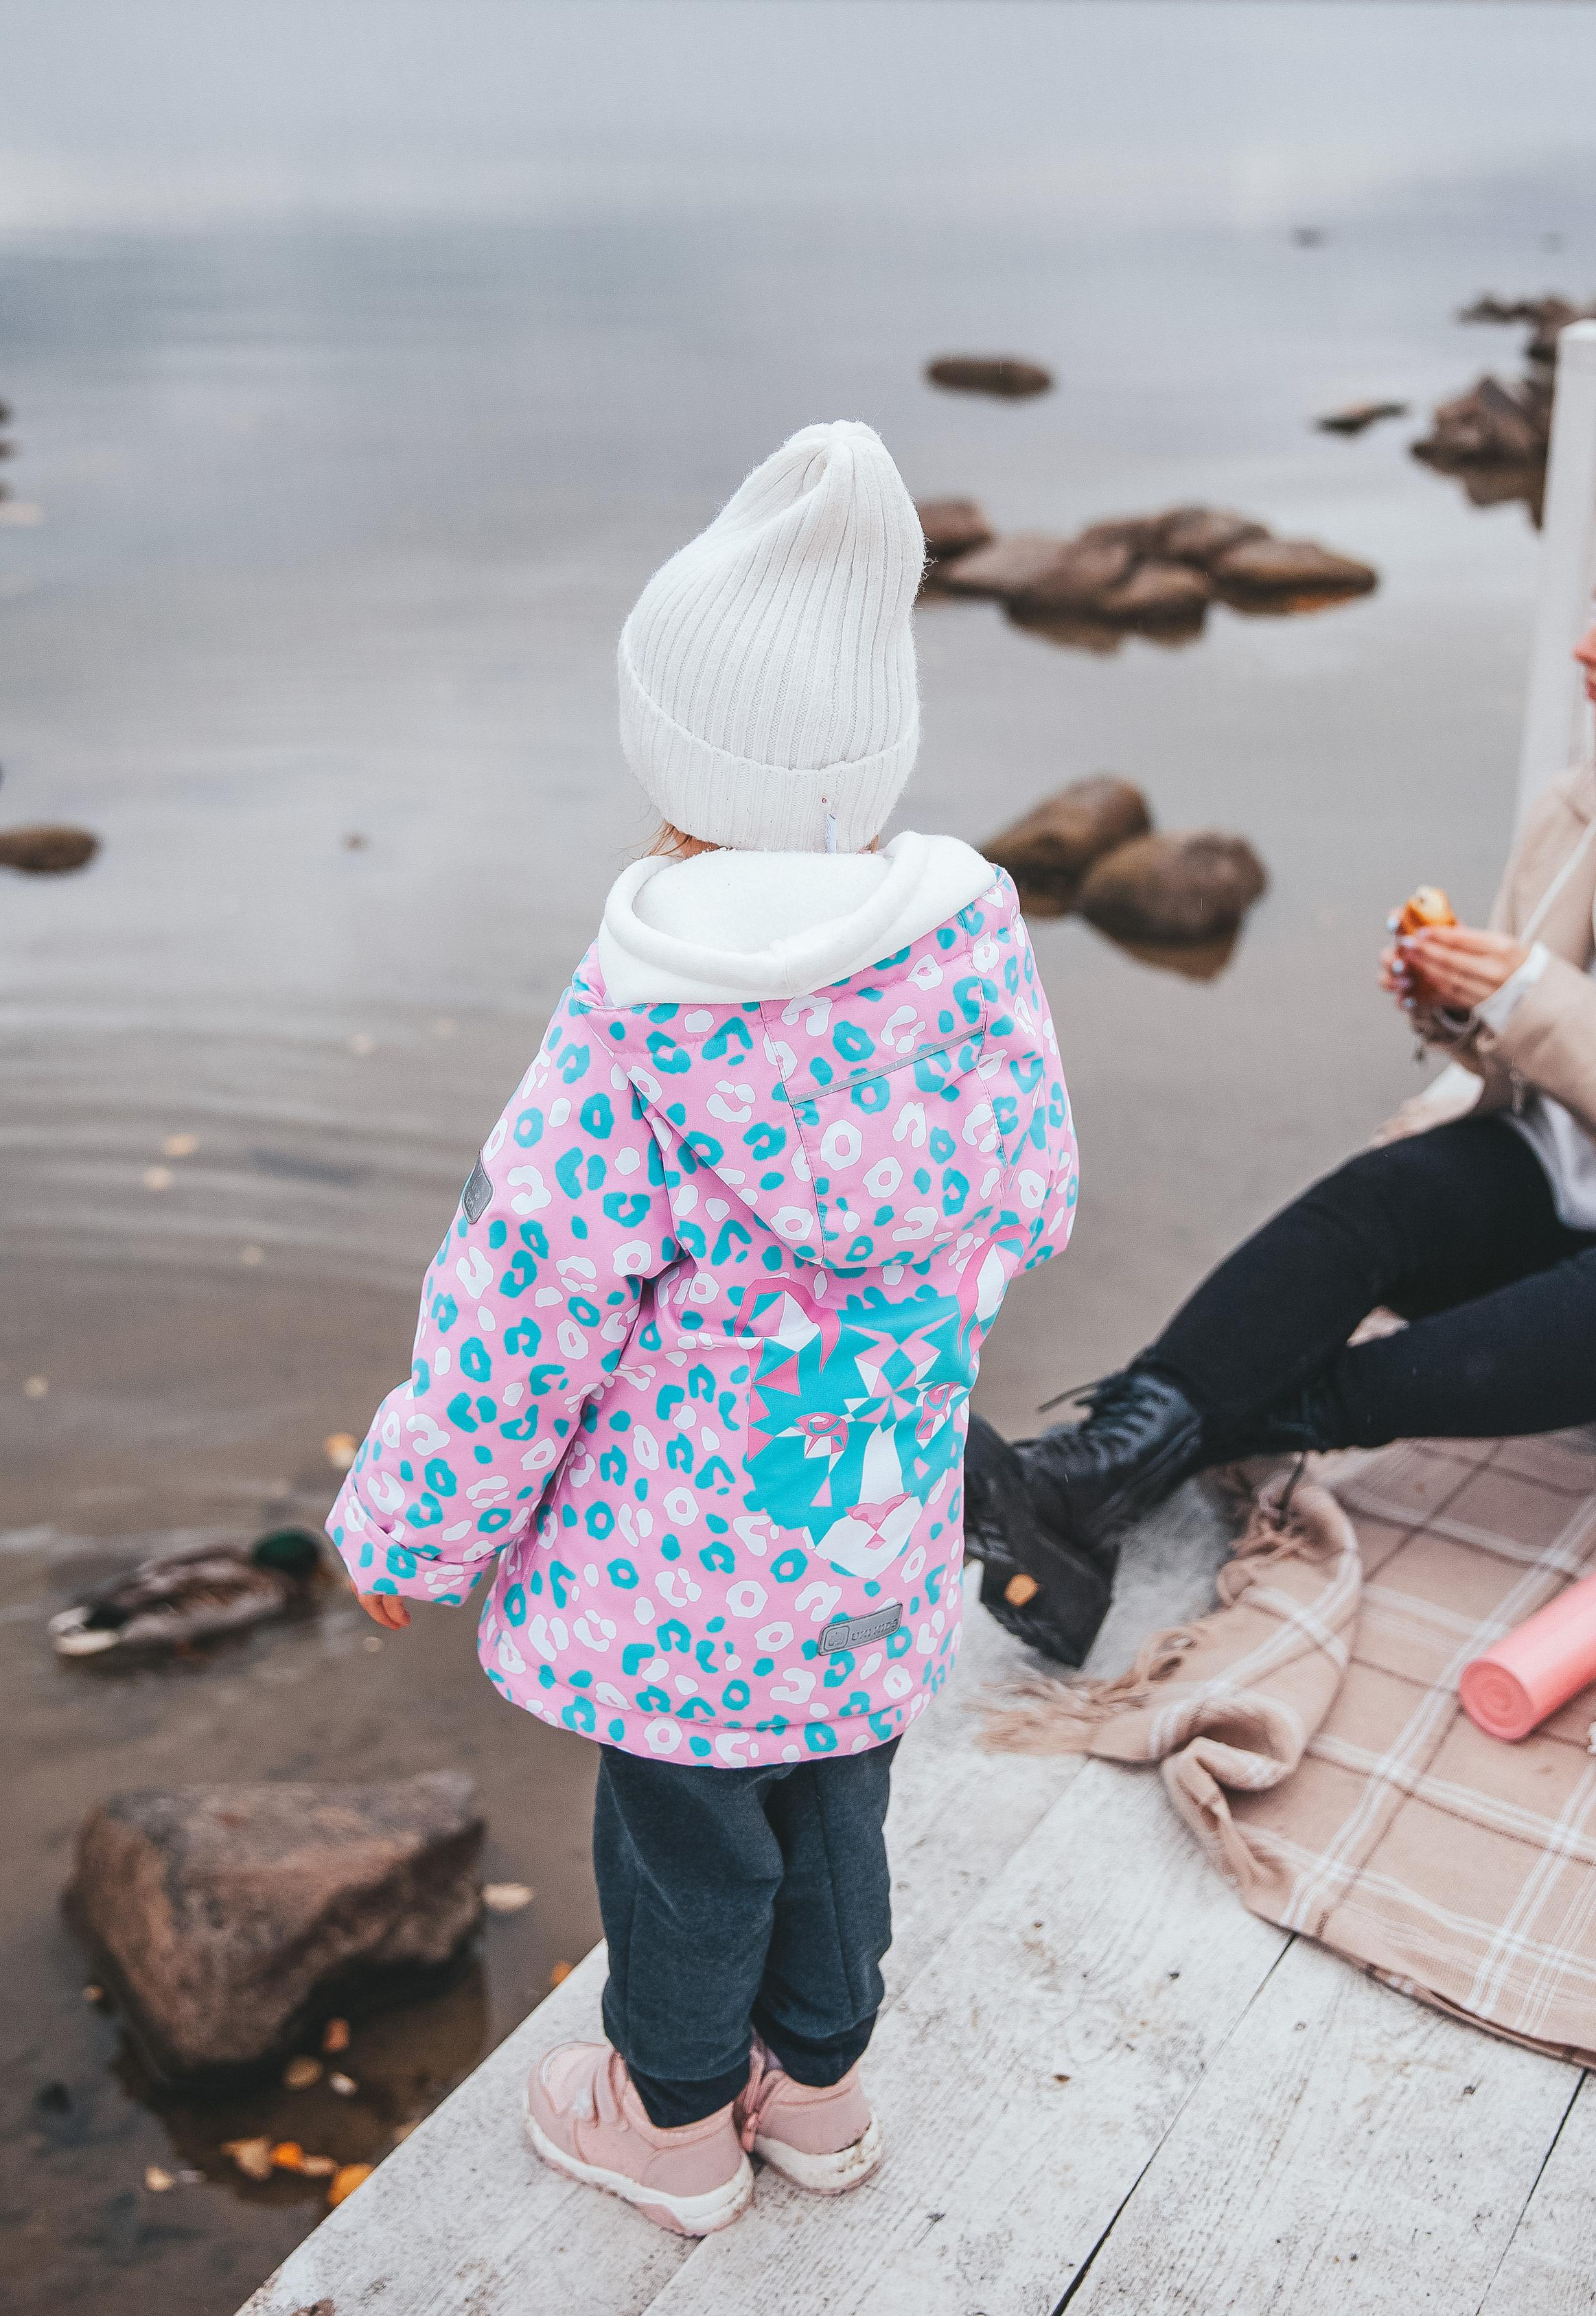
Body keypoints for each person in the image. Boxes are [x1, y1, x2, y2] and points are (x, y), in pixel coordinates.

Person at [327, 421, 1076, 2234]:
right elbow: (1034, 1198)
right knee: (837, 1800)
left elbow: (524, 1315)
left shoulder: (639, 1018)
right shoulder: (965, 951)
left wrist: (410, 1528)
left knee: (683, 1840)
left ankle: (671, 2125)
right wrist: (905, 1332)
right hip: (874, 1505)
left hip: (678, 1568)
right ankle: (816, 2094)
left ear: (666, 749)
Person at [966, 476, 1596, 1670]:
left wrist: (1538, 1001)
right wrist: (1461, 1013)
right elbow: (1531, 1063)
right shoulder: (1581, 807)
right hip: (1558, 1189)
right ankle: (1090, 1472)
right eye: (1595, 610)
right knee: (1384, 1194)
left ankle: (1231, 1433)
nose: (1589, 650)